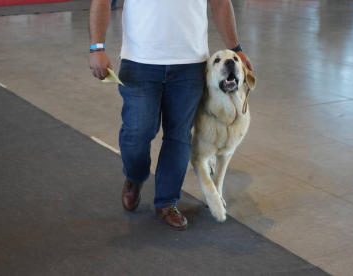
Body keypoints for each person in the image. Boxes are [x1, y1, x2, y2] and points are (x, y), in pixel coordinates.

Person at [88, 0, 253, 231]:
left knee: (179, 136)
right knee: (138, 131)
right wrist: (97, 47)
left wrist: (235, 48)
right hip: (139, 61)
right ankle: (135, 177)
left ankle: (166, 202)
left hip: (191, 64)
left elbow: (220, 2)